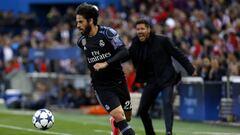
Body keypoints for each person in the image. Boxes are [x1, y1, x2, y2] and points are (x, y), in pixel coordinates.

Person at [75, 3, 135, 135]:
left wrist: (106, 63)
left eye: (81, 22)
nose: (78, 25)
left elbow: (124, 52)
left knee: (127, 116)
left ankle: (114, 123)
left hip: (119, 80)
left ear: (91, 21)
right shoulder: (82, 42)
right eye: (77, 22)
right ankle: (118, 121)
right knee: (120, 116)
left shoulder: (108, 33)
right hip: (102, 85)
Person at [129, 19, 196, 135]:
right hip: (151, 81)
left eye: (142, 29)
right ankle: (150, 133)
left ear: (149, 29)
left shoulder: (162, 40)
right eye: (138, 29)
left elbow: (177, 54)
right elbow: (127, 55)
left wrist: (190, 69)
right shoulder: (135, 44)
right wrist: (110, 61)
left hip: (166, 78)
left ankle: (168, 132)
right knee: (143, 110)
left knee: (167, 102)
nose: (140, 31)